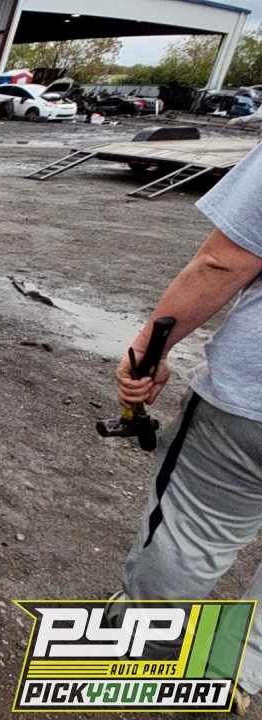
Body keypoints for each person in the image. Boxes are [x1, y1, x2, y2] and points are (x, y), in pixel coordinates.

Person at [111, 141, 262, 713]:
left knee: (192, 534)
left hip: (250, 407)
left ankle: (141, 646)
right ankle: (236, 671)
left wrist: (148, 351)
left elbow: (223, 262)